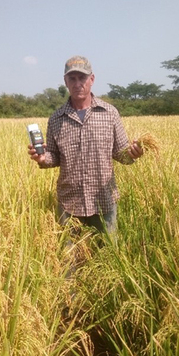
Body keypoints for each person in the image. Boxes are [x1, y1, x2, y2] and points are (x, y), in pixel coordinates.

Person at [28, 55, 143, 239]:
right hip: (70, 204)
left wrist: (134, 153)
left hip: (103, 202)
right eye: (72, 78)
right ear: (65, 81)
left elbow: (122, 154)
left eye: (82, 78)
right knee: (70, 262)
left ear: (92, 79)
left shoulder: (109, 113)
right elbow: (54, 156)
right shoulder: (56, 119)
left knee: (107, 259)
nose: (77, 83)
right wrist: (42, 159)